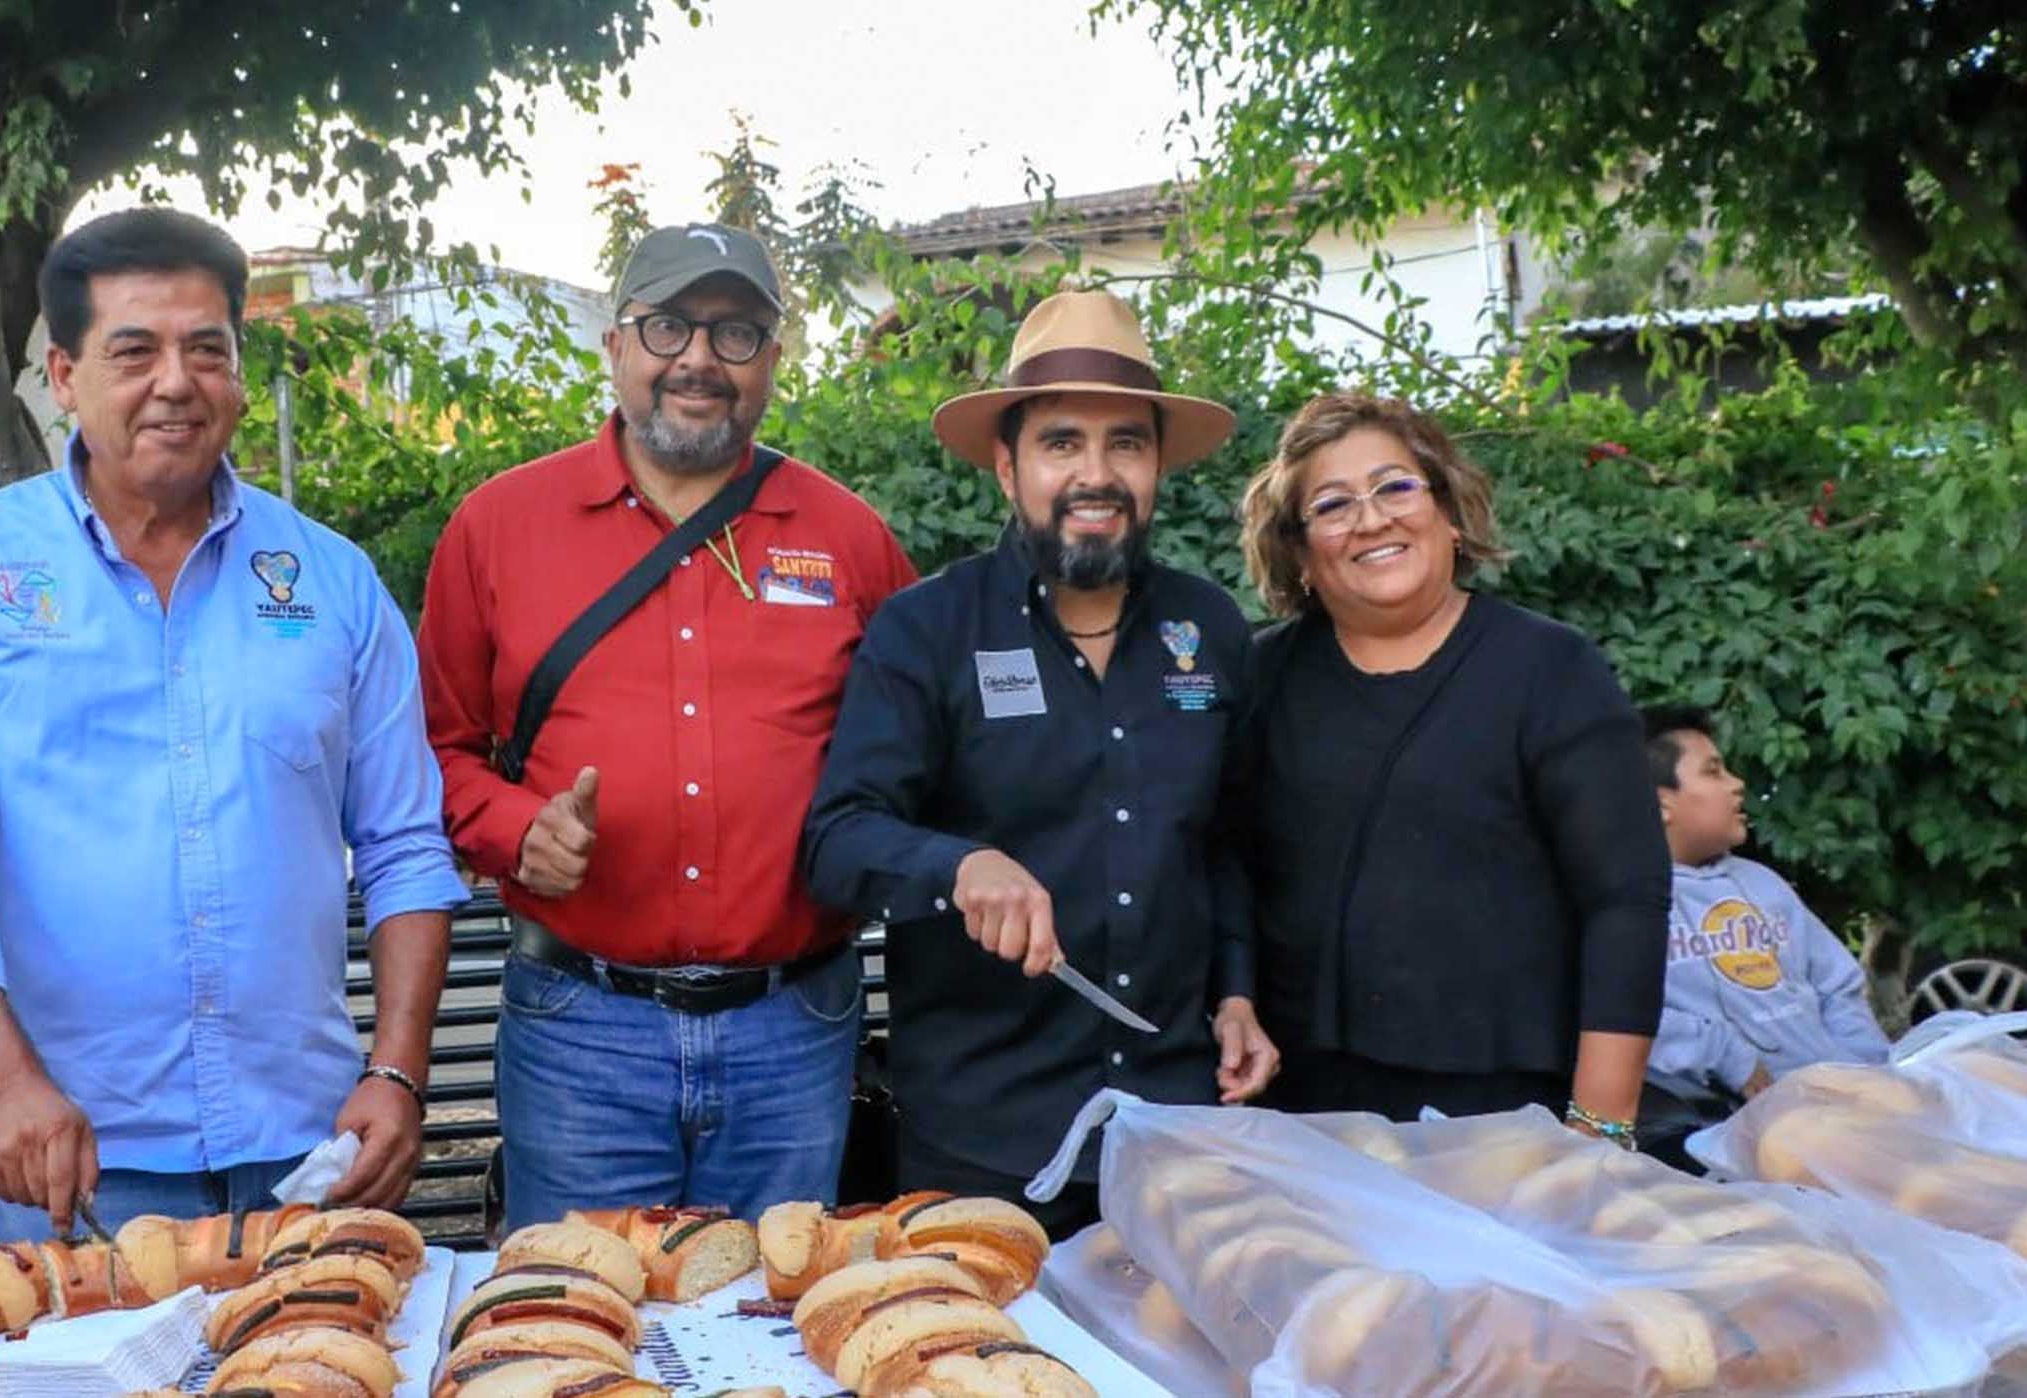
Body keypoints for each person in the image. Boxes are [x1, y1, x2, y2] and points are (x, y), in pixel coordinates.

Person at [0, 208, 466, 1239]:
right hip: (73, 1157)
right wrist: (2, 1084)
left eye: (207, 350)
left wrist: (398, 1072)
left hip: (308, 1150)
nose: (176, 382)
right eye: (134, 351)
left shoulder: (331, 582)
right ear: (64, 376)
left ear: (238, 373)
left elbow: (405, 846)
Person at [417, 222, 916, 1232]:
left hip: (794, 1029)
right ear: (615, 344)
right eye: (667, 327)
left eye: (735, 333)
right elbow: (434, 750)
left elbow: (915, 758)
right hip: (580, 1032)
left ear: (772, 360)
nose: (698, 358)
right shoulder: (498, 528)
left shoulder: (850, 539)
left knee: (775, 1314)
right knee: (572, 1313)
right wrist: (514, 830)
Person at [803, 290, 1280, 1239]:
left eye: (1125, 444)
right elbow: (837, 840)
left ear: (1156, 466)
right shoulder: (927, 630)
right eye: (1062, 443)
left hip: (1179, 1126)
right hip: (982, 1138)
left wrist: (1237, 994)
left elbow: (1227, 843)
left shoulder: (1210, 627)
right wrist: (957, 865)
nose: (1095, 475)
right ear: (1007, 466)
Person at [1236, 393, 1667, 1144]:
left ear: (1449, 512)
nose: (1372, 519)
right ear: (1299, 553)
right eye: (1332, 505)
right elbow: (1220, 862)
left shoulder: (1550, 669)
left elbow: (1625, 901)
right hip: (1299, 1111)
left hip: (1508, 1116)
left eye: (1396, 487)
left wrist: (1600, 1127)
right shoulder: (1259, 677)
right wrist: (1234, 1001)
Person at [1644, 705, 1890, 1098]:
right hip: (1734, 1116)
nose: (1737, 784)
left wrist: (1865, 1069)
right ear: (1661, 805)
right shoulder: (1629, 903)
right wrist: (1725, 1055)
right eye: (1713, 772)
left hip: (1844, 1092)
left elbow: (1837, 986)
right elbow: (1616, 1016)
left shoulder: (1762, 883)